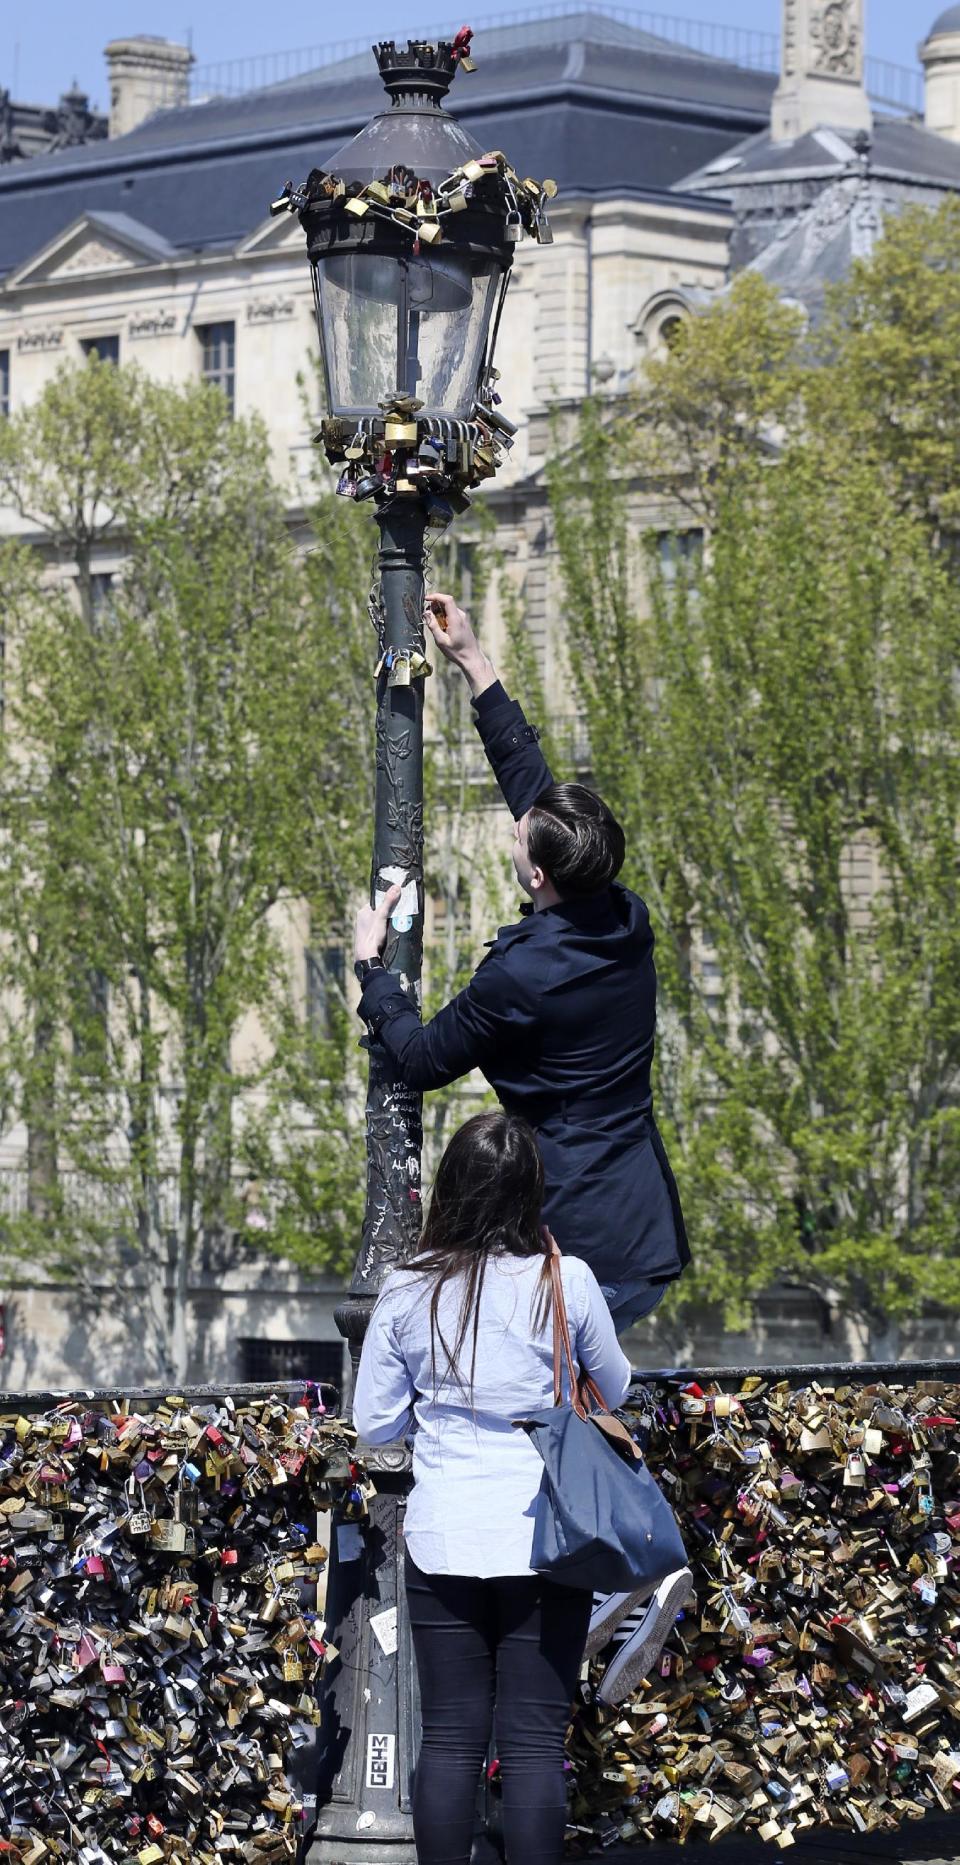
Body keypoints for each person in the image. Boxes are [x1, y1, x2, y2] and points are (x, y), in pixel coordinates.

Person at [353, 590, 693, 1667]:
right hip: (636, 1202)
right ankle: (614, 1555)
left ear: (536, 875)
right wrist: (478, 667)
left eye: (524, 843)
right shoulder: (620, 917)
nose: (517, 829)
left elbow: (415, 1055)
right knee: (572, 1392)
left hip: (575, 1219)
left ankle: (621, 1557)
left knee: (550, 1402)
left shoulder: (524, 977)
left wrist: (372, 970)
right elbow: (547, 806)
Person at [352, 1111, 634, 1865]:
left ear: (450, 1189)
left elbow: (374, 1422)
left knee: (450, 1736)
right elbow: (617, 1383)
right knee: (536, 1743)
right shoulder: (564, 1279)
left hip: (445, 1532)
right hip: (549, 1533)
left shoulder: (408, 1286)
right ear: (530, 1191)